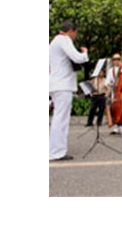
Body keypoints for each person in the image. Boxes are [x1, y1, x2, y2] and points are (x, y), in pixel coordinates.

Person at [49, 20, 88, 161]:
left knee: (58, 118)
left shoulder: (54, 42)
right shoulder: (63, 39)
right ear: (71, 30)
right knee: (61, 120)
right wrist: (85, 53)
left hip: (56, 84)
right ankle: (56, 152)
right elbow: (77, 58)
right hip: (63, 85)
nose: (75, 36)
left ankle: (55, 149)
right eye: (75, 33)